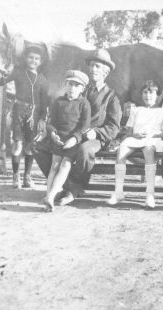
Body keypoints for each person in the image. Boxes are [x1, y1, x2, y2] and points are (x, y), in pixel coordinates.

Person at [34, 48, 122, 206]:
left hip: (94, 138)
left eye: (98, 67)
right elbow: (61, 113)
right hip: (70, 134)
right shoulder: (78, 88)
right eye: (92, 65)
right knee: (39, 147)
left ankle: (73, 190)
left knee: (84, 150)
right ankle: (61, 185)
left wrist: (96, 132)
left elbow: (114, 126)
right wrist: (52, 131)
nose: (93, 69)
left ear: (106, 72)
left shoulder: (111, 96)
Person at [107, 80, 163, 208]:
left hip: (153, 139)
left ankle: (150, 194)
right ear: (141, 95)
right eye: (145, 93)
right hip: (136, 138)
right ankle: (118, 192)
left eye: (151, 93)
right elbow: (128, 131)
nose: (148, 96)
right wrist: (134, 135)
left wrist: (156, 135)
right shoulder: (136, 110)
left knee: (148, 149)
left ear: (157, 95)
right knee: (122, 149)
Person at [43, 70, 91, 212]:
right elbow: (50, 122)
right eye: (70, 84)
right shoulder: (58, 102)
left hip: (72, 140)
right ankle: (48, 195)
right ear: (65, 85)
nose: (72, 88)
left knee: (65, 165)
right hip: (58, 138)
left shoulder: (84, 104)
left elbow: (85, 125)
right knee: (55, 165)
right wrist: (52, 133)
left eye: (76, 86)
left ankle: (51, 196)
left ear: (82, 88)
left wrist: (75, 138)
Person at [7, 44, 50, 189]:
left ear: (41, 61)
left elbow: (44, 102)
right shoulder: (18, 73)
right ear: (25, 58)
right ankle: (15, 177)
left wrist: (43, 119)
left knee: (31, 146)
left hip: (35, 115)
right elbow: (3, 79)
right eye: (31, 57)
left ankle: (27, 176)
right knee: (18, 144)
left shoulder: (43, 80)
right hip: (19, 111)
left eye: (37, 58)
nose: (33, 61)